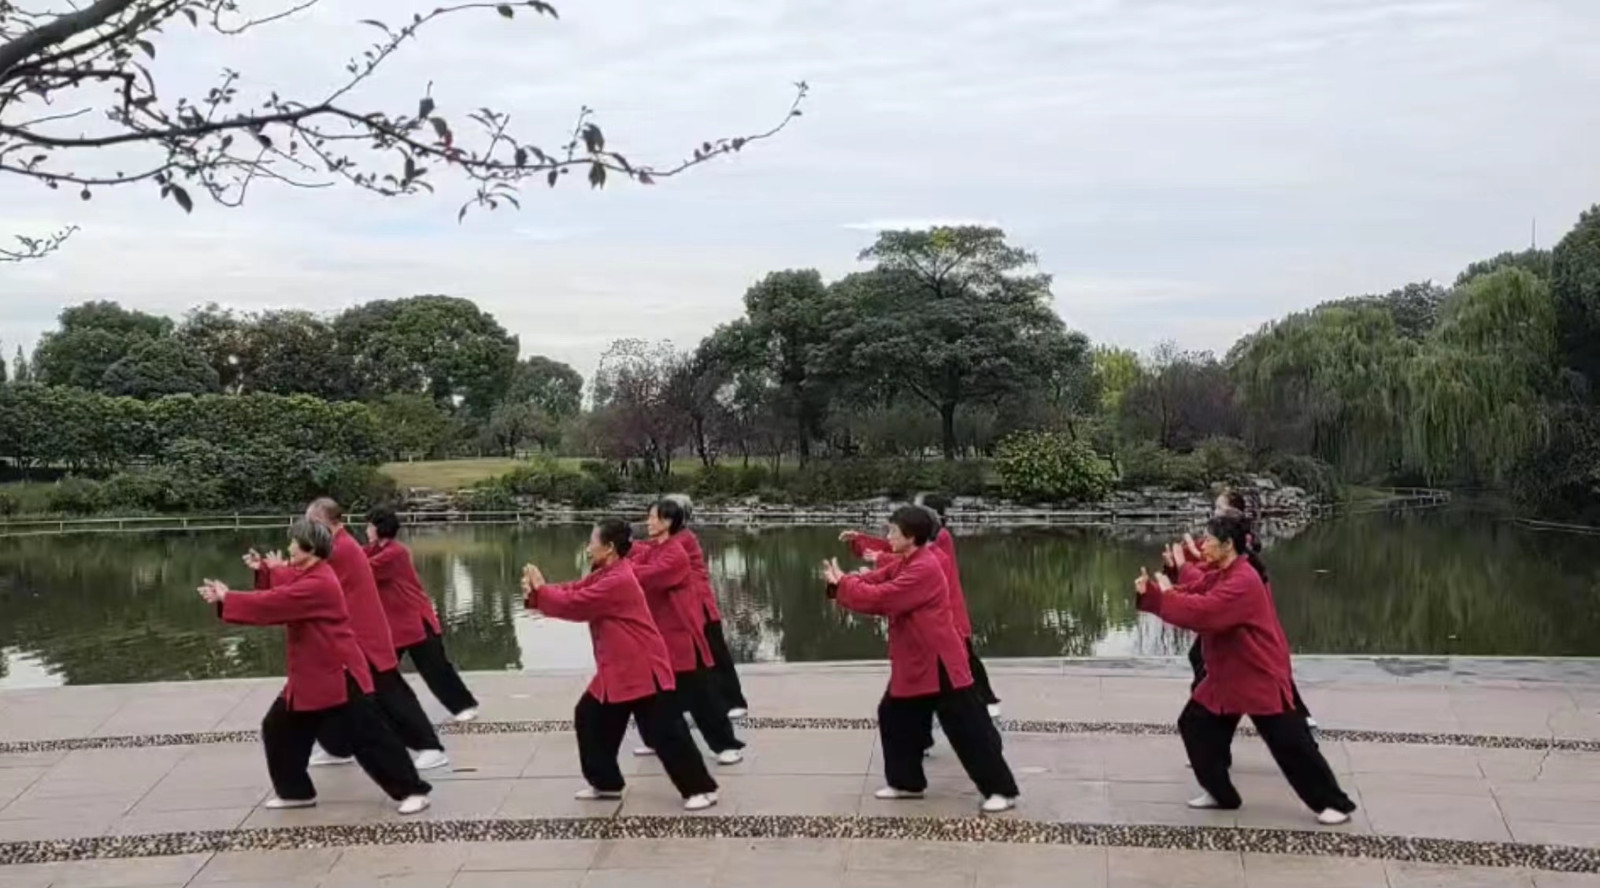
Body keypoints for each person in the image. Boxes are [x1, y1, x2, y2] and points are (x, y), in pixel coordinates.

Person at [1136, 512, 1356, 826]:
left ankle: (1334, 803)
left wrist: (1161, 598)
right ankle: (1221, 794)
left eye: (1209, 540)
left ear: (1228, 544)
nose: (1203, 545)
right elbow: (1198, 590)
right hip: (1227, 675)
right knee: (1195, 725)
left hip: (1257, 674)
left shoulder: (1243, 580)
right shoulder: (1225, 572)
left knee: (1290, 743)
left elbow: (1206, 612)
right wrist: (1160, 590)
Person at [200, 520, 432, 815]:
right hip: (310, 675)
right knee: (278, 728)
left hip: (338, 674)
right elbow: (288, 583)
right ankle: (296, 793)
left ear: (309, 548)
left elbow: (276, 602)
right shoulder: (311, 574)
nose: (289, 547)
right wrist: (265, 570)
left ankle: (413, 790)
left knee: (370, 737)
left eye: (293, 542)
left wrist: (228, 597)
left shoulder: (320, 583)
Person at [824, 505, 1019, 814]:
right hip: (915, 660)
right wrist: (843, 581)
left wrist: (844, 584)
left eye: (893, 532)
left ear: (912, 537)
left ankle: (1001, 790)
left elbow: (883, 598)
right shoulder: (907, 561)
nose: (888, 537)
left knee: (967, 726)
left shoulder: (925, 567)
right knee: (895, 715)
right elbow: (876, 579)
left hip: (940, 660)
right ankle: (906, 783)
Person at [521, 518, 720, 810]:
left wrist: (541, 593)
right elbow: (575, 589)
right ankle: (606, 783)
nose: (588, 547)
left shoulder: (619, 580)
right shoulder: (606, 573)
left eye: (593, 541)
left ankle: (702, 789)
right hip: (617, 670)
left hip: (643, 668)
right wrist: (539, 593)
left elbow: (578, 604)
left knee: (666, 732)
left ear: (610, 547)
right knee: (590, 717)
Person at [278, 498, 447, 771]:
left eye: (310, 522)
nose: (306, 529)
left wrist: (272, 571)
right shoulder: (338, 545)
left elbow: (304, 578)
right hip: (349, 636)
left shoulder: (339, 549)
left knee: (390, 692)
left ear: (323, 522)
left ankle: (430, 747)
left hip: (365, 638)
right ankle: (338, 747)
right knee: (332, 693)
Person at [840, 492, 999, 717]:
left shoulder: (939, 541)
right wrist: (860, 541)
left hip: (946, 613)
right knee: (949, 669)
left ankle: (985, 702)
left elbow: (908, 561)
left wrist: (874, 562)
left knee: (963, 664)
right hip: (932, 616)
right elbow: (897, 546)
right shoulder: (922, 544)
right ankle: (954, 712)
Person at [1171, 489, 1315, 729]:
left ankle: (1297, 719)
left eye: (1220, 508)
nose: (1215, 513)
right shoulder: (1234, 550)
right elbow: (1209, 579)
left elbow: (1211, 586)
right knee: (1210, 664)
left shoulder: (1242, 560)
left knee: (1262, 674)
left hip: (1244, 626)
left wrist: (1183, 568)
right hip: (1236, 624)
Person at [628, 498, 746, 763]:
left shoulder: (677, 550)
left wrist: (621, 561)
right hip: (657, 637)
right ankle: (657, 740)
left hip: (682, 635)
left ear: (668, 521)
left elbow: (647, 573)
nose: (648, 522)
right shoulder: (660, 546)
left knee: (701, 694)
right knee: (651, 695)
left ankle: (726, 745)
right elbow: (643, 552)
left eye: (653, 517)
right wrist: (619, 545)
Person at [364, 506, 480, 723]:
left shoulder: (395, 553)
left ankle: (465, 706)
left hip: (416, 621)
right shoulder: (373, 550)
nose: (367, 530)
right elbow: (354, 560)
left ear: (380, 528)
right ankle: (377, 712)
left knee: (435, 668)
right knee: (379, 669)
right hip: (394, 625)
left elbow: (362, 570)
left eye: (370, 526)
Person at [663, 492, 749, 718]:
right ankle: (688, 704)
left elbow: (658, 565)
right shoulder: (669, 540)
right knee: (689, 658)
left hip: (700, 607)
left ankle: (734, 701)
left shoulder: (683, 540)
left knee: (716, 653)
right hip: (683, 610)